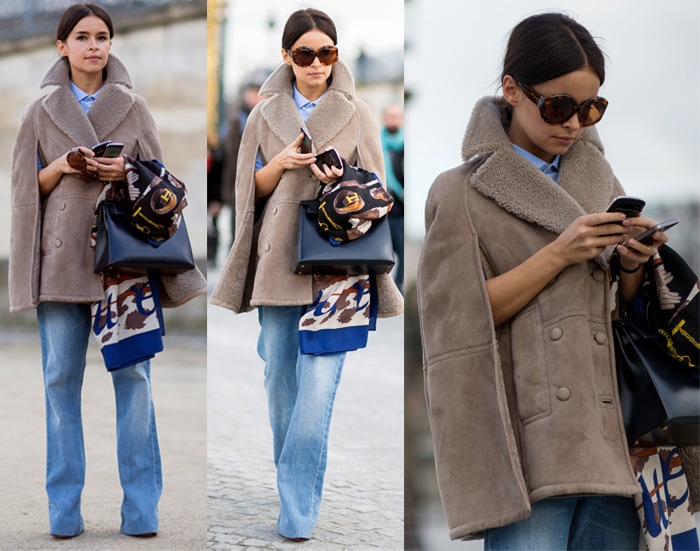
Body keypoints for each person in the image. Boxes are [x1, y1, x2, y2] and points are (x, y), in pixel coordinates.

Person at [417, 12, 698, 550]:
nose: (574, 123)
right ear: (512, 90)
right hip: (528, 448)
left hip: (617, 437)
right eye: (558, 106)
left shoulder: (599, 179)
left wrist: (634, 265)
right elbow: (454, 325)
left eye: (590, 108)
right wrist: (561, 252)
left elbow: (617, 311)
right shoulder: (459, 192)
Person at [9, 3, 205, 539]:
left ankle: (141, 510)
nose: (93, 45)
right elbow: (25, 194)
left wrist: (128, 170)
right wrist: (59, 166)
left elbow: (164, 184)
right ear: (62, 46)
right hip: (60, 263)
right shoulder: (39, 111)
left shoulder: (135, 107)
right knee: (58, 381)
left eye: (102, 36)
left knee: (135, 378)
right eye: (81, 36)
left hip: (124, 265)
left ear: (111, 45)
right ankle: (63, 513)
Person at [211, 7, 403, 541]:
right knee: (279, 379)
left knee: (317, 388)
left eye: (327, 52)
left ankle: (297, 507)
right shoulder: (262, 114)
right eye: (304, 54)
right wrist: (282, 166)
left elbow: (380, 196)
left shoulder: (358, 112)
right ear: (286, 57)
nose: (317, 63)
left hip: (338, 268)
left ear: (336, 56)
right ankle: (290, 478)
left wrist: (340, 180)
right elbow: (244, 191)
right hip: (277, 260)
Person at [380, 103, 404, 293]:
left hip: (400, 210)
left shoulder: (405, 145)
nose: (393, 120)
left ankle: (397, 289)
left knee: (402, 254)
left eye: (396, 117)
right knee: (382, 254)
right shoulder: (377, 142)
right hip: (380, 208)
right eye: (390, 116)